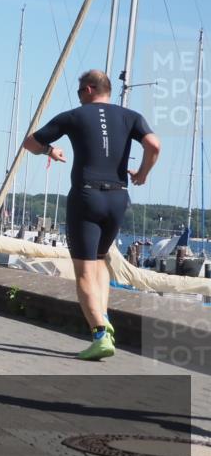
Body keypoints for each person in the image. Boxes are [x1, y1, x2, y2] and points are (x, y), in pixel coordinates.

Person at [23, 69, 160, 361]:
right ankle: (105, 323)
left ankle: (100, 332)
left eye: (78, 91)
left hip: (86, 197)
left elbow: (30, 143)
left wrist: (50, 151)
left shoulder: (73, 116)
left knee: (84, 270)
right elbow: (154, 144)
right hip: (118, 197)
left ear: (87, 89)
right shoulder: (131, 116)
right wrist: (144, 173)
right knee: (99, 262)